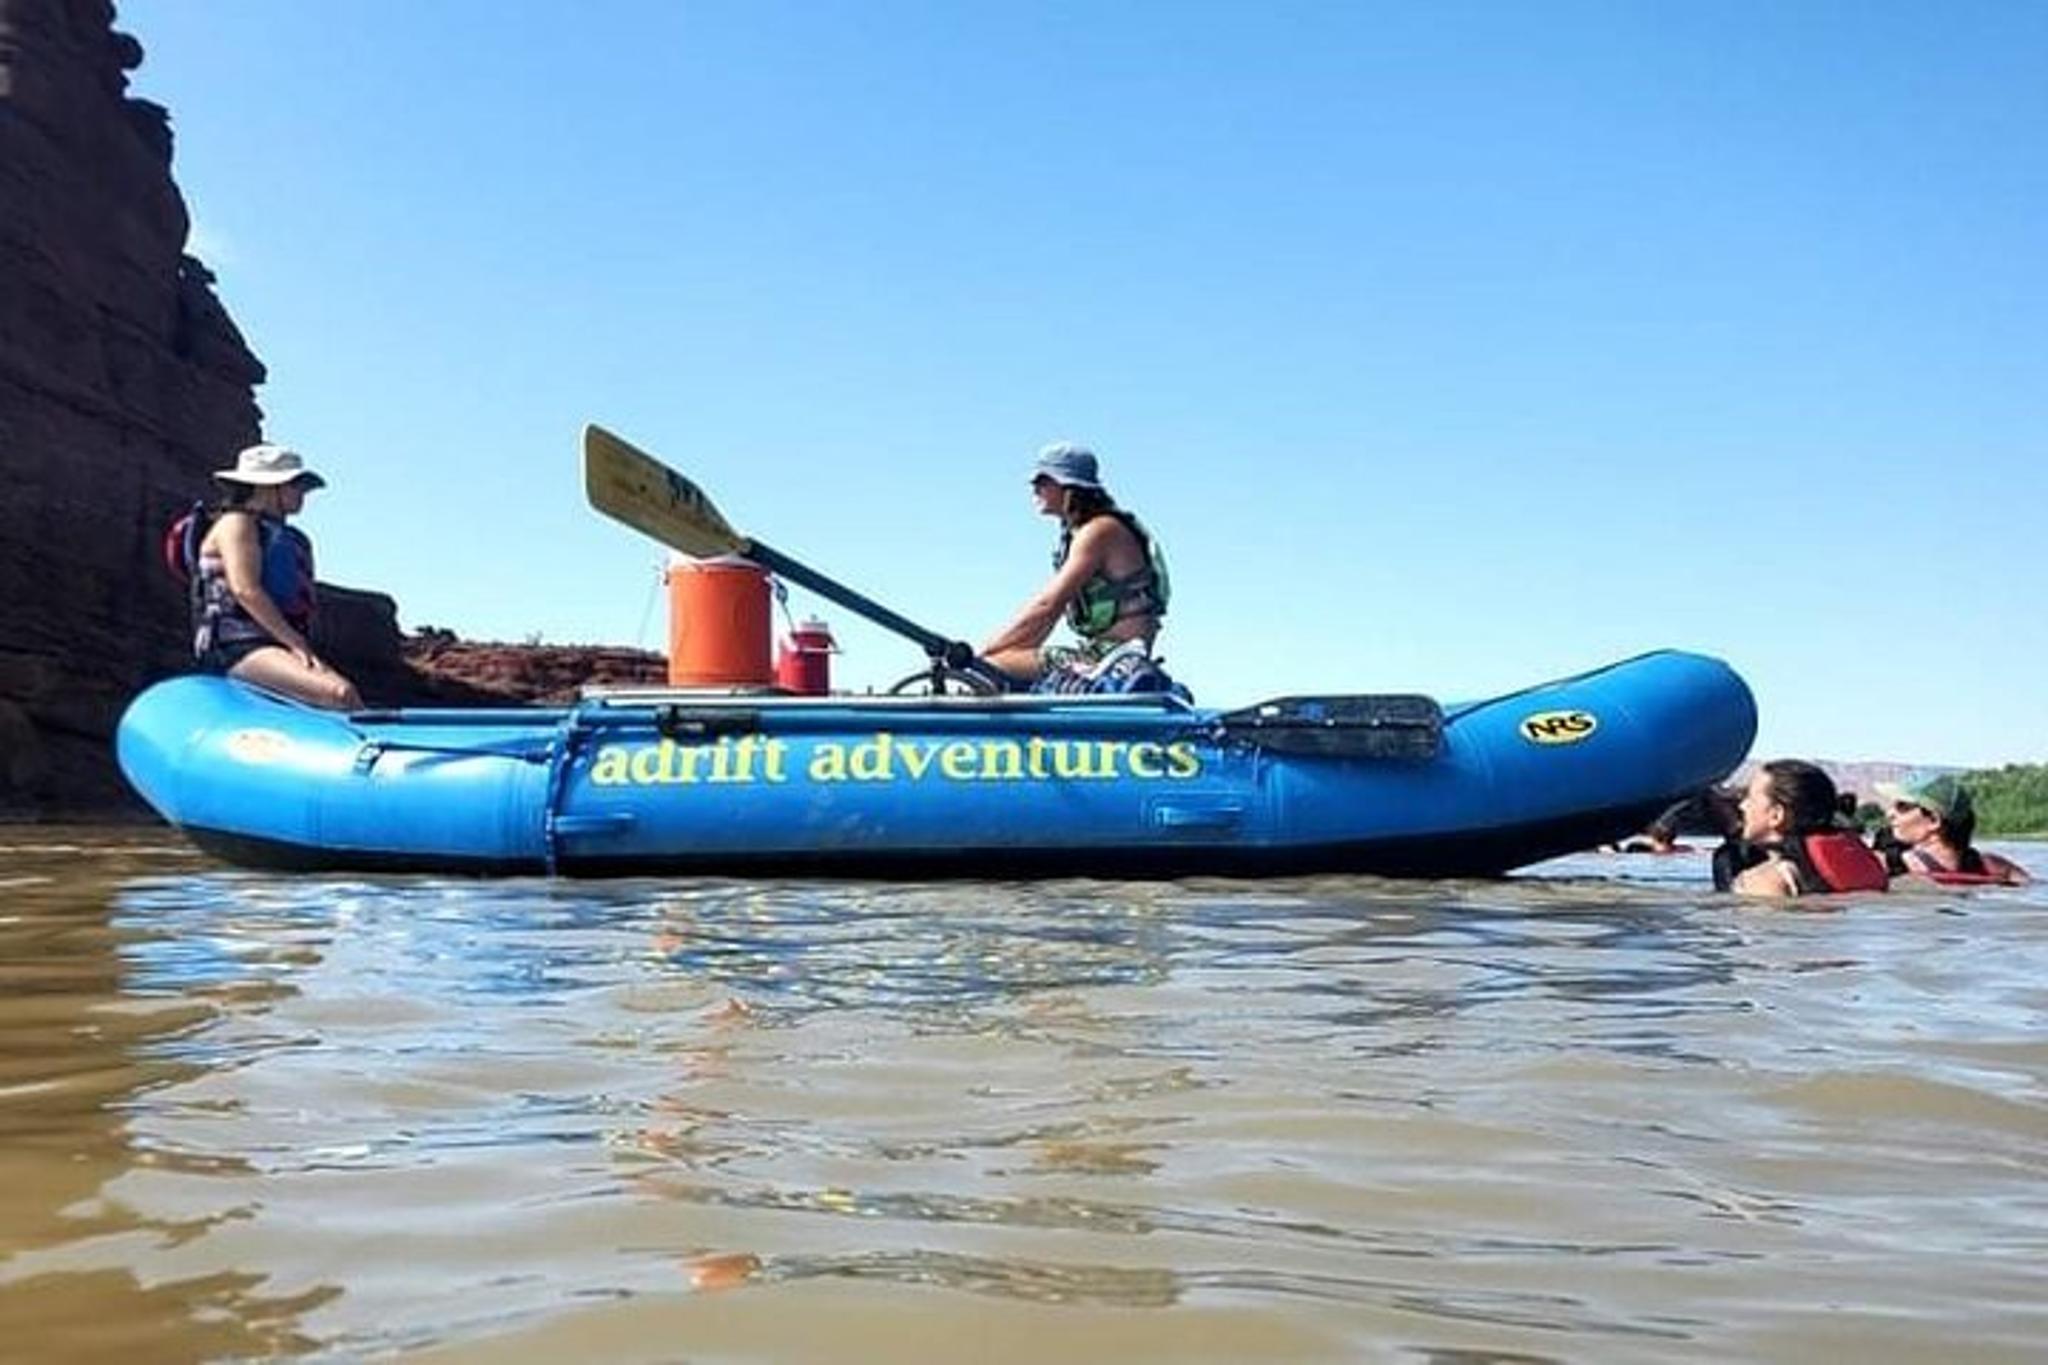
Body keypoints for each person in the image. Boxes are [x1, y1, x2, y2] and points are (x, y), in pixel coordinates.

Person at [188, 443, 361, 710]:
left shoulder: (286, 536)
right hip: (235, 647)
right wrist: (295, 643)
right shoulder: (237, 524)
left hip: (273, 644)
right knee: (340, 693)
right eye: (295, 485)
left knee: (342, 692)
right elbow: (245, 589)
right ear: (266, 487)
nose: (302, 493)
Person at [980, 442, 1169, 686]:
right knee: (1003, 663)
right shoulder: (1085, 533)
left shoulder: (1098, 531)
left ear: (1070, 487)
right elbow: (1047, 618)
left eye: (1043, 480)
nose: (1035, 487)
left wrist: (982, 654)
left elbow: (1047, 605)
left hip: (1110, 660)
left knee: (988, 667)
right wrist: (1012, 650)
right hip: (1102, 653)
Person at [1714, 760, 1888, 898]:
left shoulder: (1765, 881)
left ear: (1776, 815)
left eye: (1750, 798)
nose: (1742, 806)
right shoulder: (1856, 866)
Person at [1874, 772, 2032, 886]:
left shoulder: (1884, 863)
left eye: (1902, 806)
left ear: (1934, 820)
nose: (1890, 814)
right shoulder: (1994, 866)